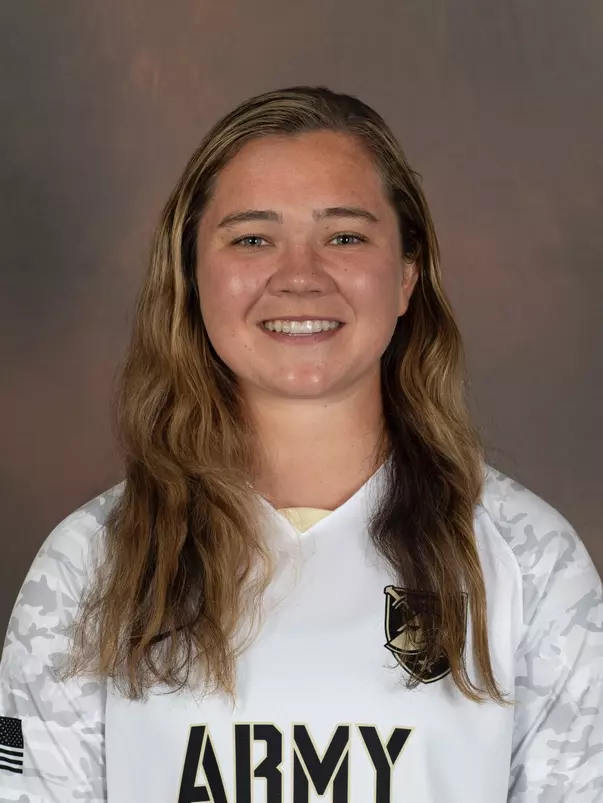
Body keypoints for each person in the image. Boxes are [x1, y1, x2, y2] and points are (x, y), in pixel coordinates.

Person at [1, 86, 602, 803]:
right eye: (252, 238)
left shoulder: (529, 563)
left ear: (407, 273)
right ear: (194, 276)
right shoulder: (89, 567)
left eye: (344, 236)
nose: (298, 276)